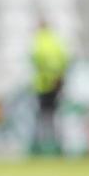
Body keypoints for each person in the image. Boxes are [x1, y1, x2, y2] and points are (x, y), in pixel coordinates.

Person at [30, 19, 70, 156]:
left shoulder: (39, 41)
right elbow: (64, 60)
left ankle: (41, 146)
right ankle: (57, 145)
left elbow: (36, 61)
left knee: (42, 116)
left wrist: (46, 76)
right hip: (57, 84)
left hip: (43, 85)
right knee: (55, 116)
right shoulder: (57, 41)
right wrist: (58, 76)